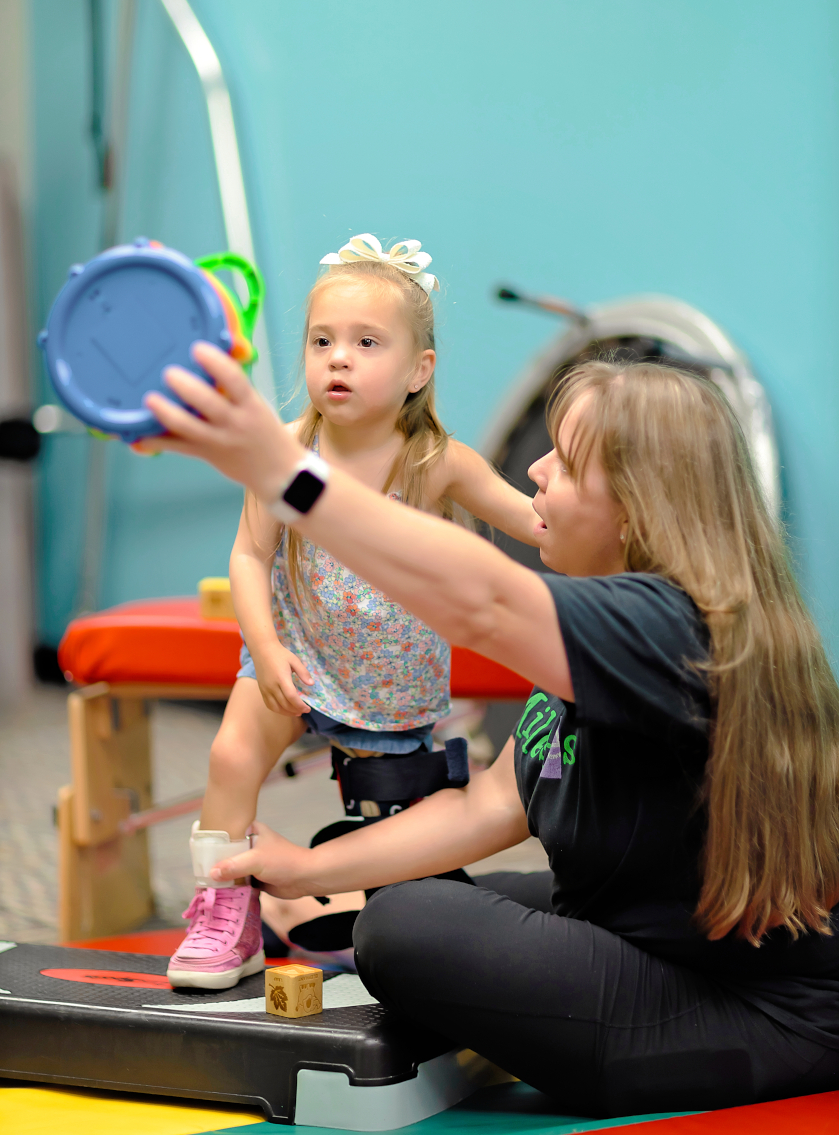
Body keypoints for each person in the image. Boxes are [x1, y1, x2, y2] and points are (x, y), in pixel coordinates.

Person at [143, 344, 839, 1116]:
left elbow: (481, 603)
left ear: (637, 511)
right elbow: (485, 809)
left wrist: (286, 470)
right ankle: (323, 915)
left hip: (749, 1011)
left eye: (566, 465)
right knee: (412, 893)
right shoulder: (612, 626)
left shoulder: (672, 628)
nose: (536, 471)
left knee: (404, 923)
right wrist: (302, 873)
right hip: (661, 934)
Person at [164, 235, 541, 988]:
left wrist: (605, 521)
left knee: (398, 816)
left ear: (416, 371)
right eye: (322, 341)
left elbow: (531, 521)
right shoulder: (287, 448)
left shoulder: (434, 462)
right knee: (231, 757)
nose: (338, 358)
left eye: (366, 343)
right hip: (294, 655)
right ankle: (223, 906)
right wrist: (265, 651)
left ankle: (407, 920)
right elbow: (248, 556)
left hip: (389, 679)